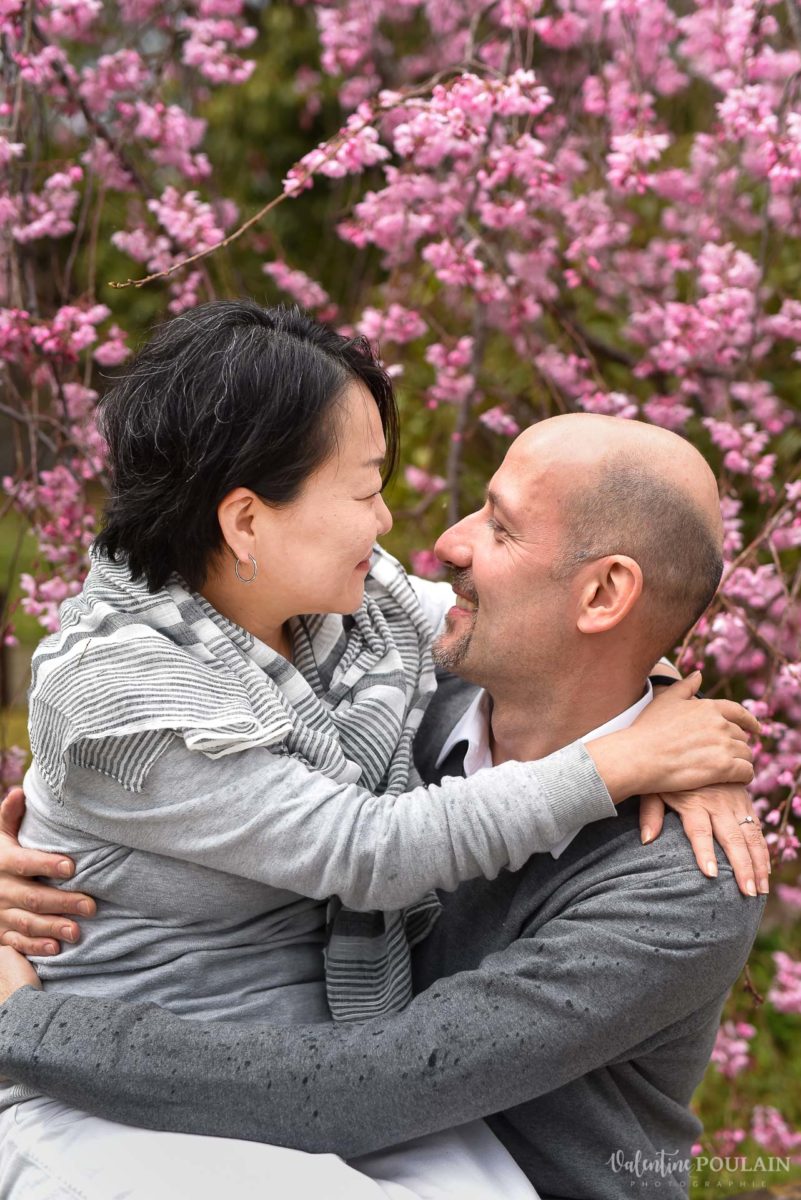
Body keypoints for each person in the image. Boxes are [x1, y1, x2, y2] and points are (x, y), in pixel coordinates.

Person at [0, 399, 767, 1198]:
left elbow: (374, 1086)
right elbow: (162, 760)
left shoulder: (681, 880)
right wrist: (55, 843)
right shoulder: (401, 705)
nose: (447, 542)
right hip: (300, 1150)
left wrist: (27, 1025)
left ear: (603, 594)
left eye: (500, 529)